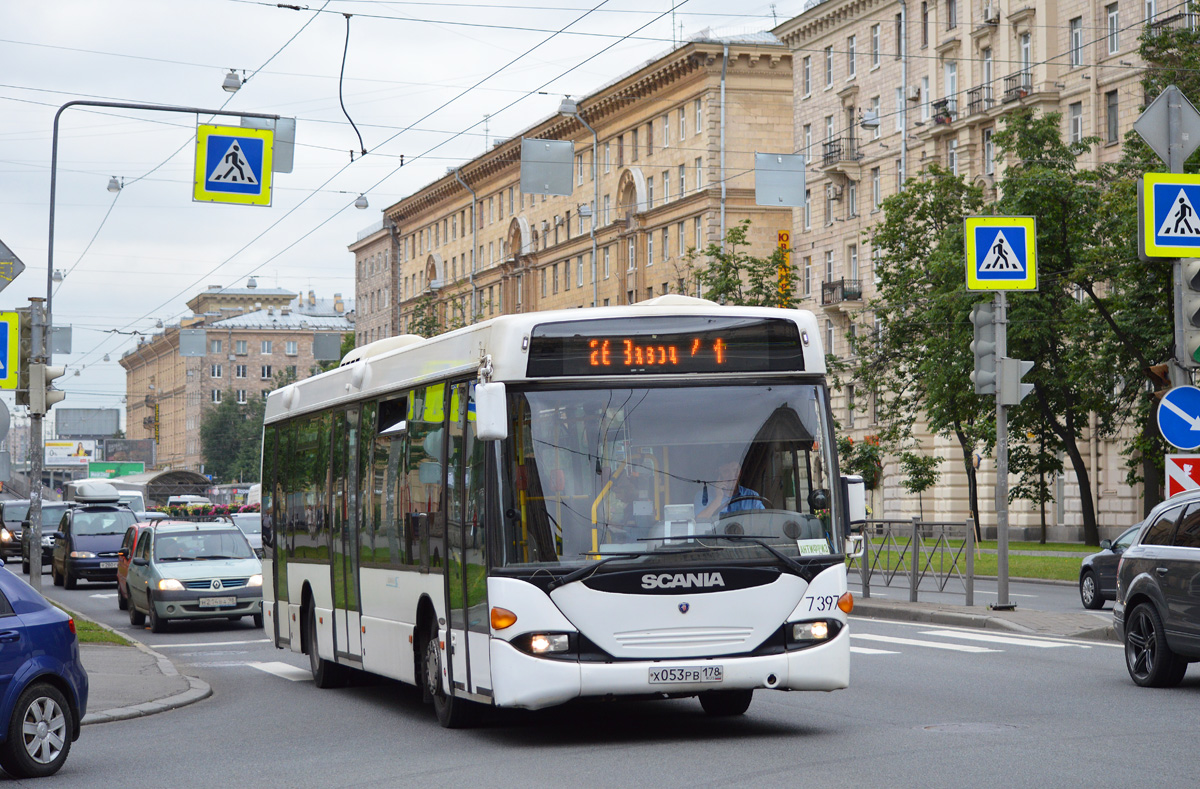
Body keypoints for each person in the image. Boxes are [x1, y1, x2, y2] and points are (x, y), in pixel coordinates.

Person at [694, 459, 765, 520]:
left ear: (740, 473)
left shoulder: (752, 497)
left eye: (735, 470)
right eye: (726, 471)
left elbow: (764, 521)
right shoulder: (704, 496)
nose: (732, 475)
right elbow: (699, 521)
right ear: (719, 474)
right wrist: (718, 498)